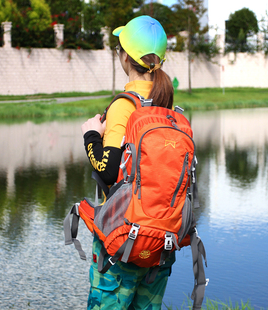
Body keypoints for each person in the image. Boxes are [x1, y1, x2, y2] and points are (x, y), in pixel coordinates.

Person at [81, 15, 175, 310]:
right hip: (160, 241)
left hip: (122, 239)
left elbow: (108, 170)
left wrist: (90, 136)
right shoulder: (165, 102)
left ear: (125, 56)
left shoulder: (124, 105)